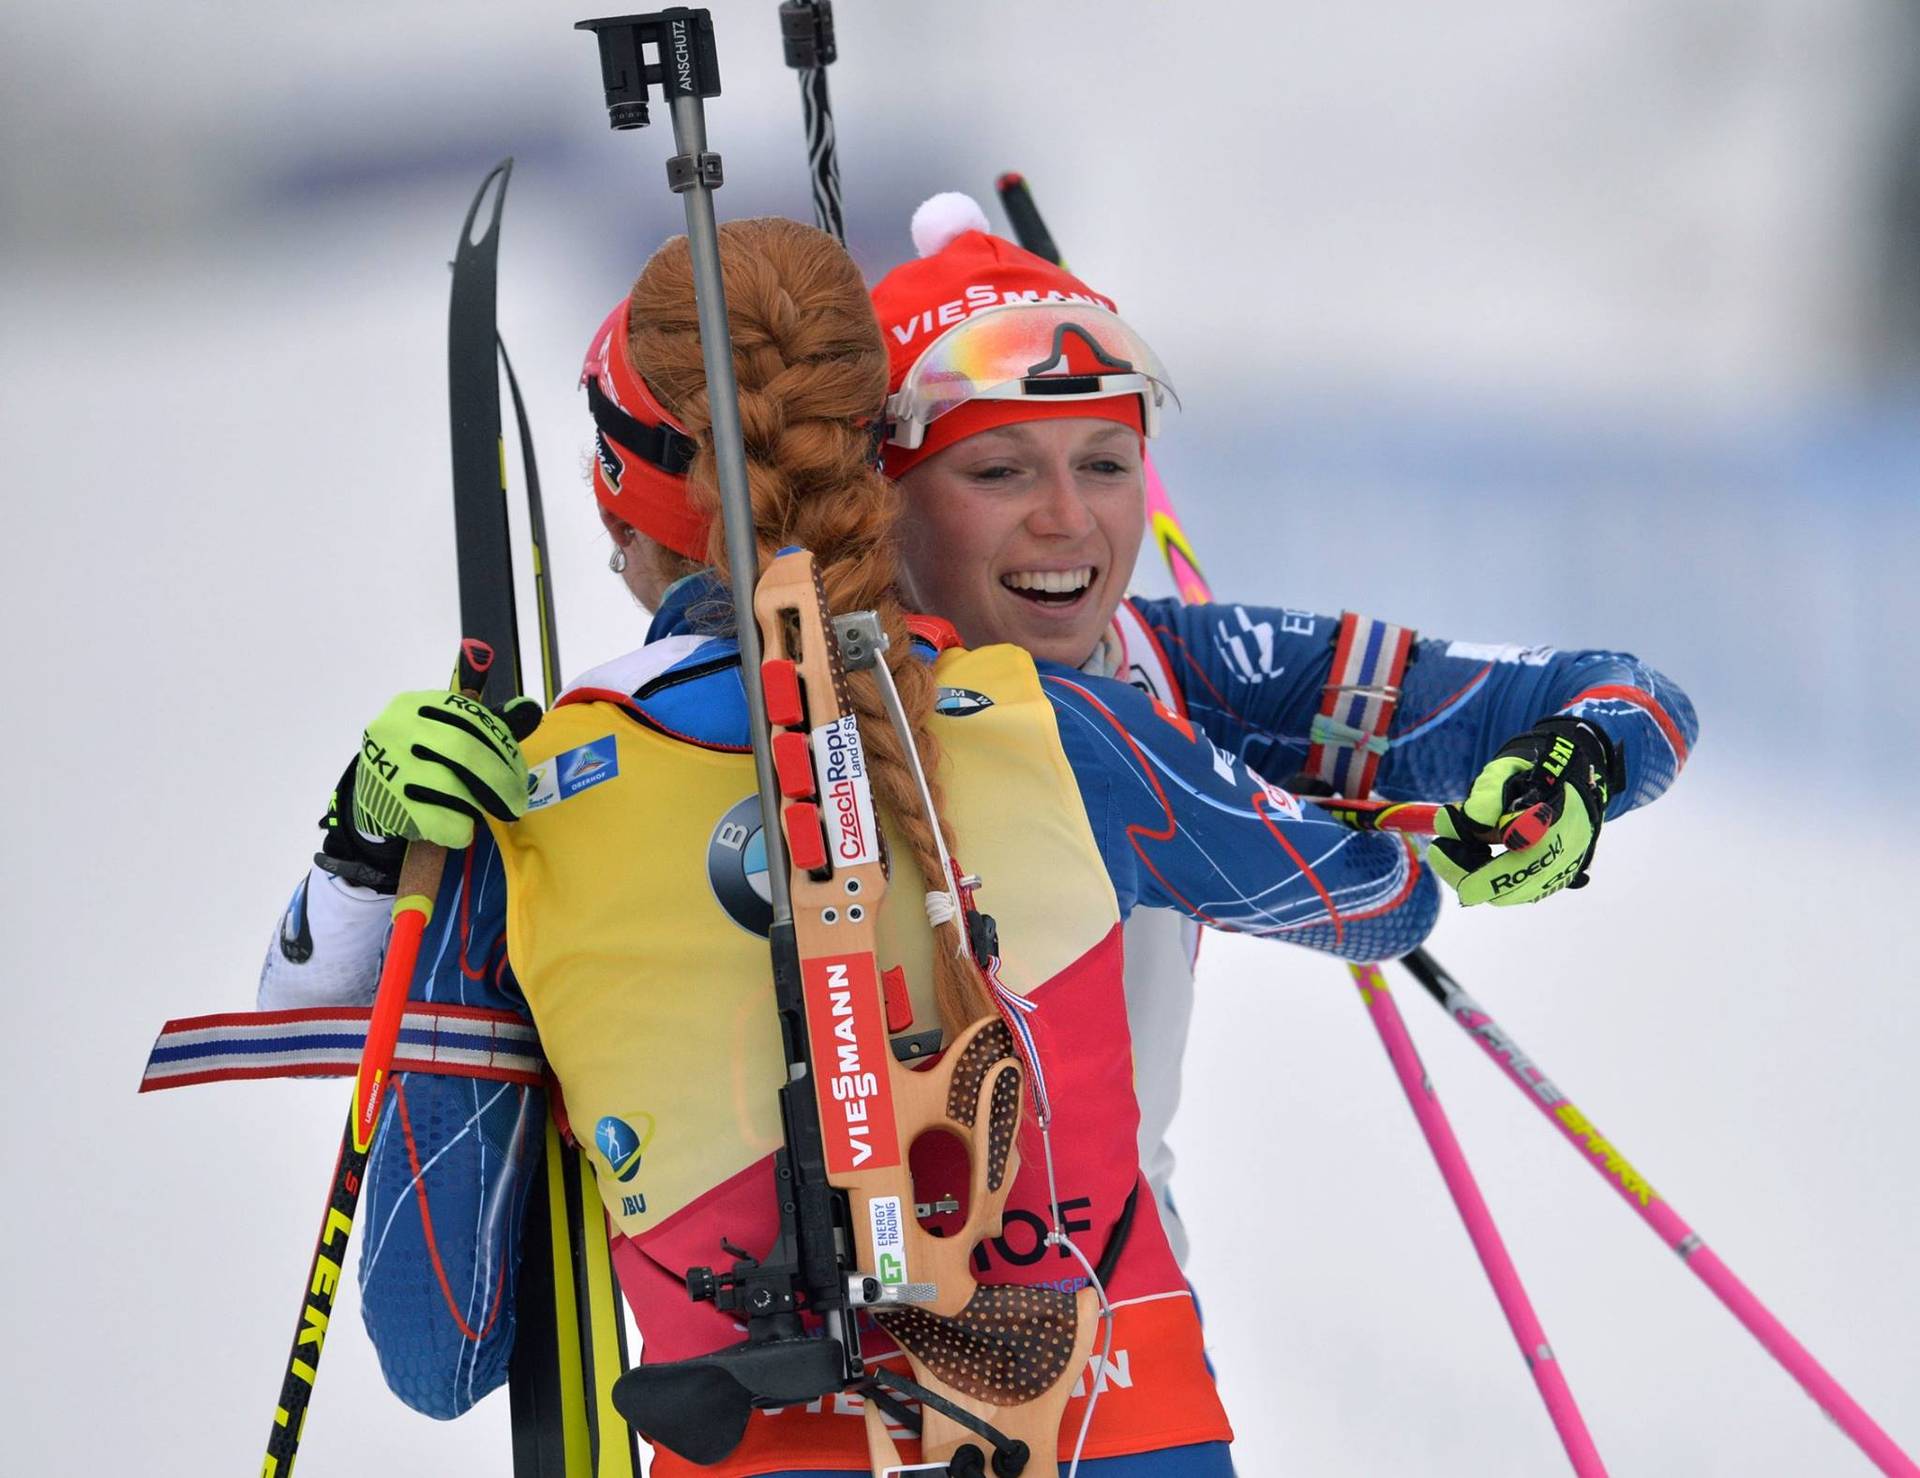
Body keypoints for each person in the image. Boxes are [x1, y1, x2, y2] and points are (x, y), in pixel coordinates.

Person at [263, 215, 1447, 1476]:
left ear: (628, 519)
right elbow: (1382, 903)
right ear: (871, 472)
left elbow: (434, 1344)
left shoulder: (527, 815)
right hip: (1117, 1429)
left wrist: (380, 859)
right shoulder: (1070, 722)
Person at [788, 193, 1697, 1267]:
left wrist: (1568, 769)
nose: (1068, 518)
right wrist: (1374, 864)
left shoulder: (1180, 667)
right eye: (1000, 469)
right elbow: (1374, 902)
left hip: (1118, 1293)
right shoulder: (788, 699)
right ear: (883, 496)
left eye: (1105, 463)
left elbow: (1617, 693)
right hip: (844, 1314)